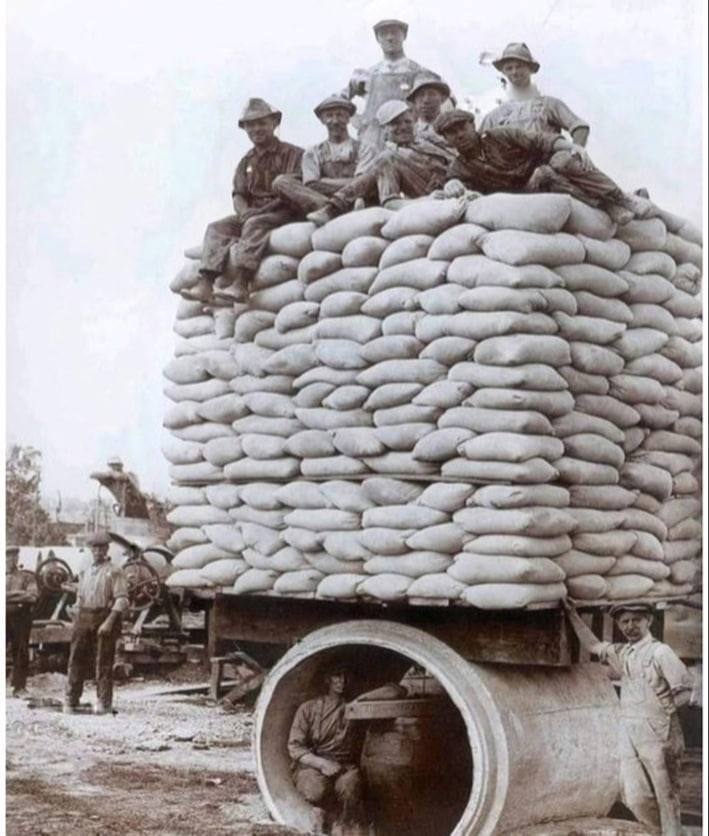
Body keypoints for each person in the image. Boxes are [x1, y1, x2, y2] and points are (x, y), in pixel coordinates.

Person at [566, 602, 693, 836]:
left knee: (666, 796)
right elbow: (593, 645)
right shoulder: (622, 653)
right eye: (624, 621)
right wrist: (572, 614)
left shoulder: (660, 652)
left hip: (659, 733)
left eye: (636, 620)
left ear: (649, 621)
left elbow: (684, 691)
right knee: (634, 796)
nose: (630, 626)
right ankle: (663, 832)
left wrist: (662, 712)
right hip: (629, 732)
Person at [434, 108, 652, 224]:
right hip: (520, 200)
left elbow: (541, 140)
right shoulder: (459, 167)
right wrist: (451, 185)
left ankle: (620, 197)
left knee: (564, 159)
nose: (459, 135)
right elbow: (452, 184)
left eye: (462, 127)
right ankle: (606, 206)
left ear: (473, 125)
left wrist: (573, 146)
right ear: (446, 140)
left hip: (549, 178)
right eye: (451, 133)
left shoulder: (500, 135)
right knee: (545, 173)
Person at [194, 98, 303, 302]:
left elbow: (294, 191)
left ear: (274, 124)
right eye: (250, 125)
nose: (256, 129)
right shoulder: (246, 161)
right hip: (252, 213)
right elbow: (239, 193)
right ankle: (206, 282)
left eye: (261, 123)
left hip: (284, 211)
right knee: (217, 228)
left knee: (254, 224)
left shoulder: (293, 154)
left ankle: (242, 283)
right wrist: (243, 212)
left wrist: (256, 214)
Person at [307, 100, 449, 226]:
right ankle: (338, 206)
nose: (403, 127)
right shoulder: (388, 156)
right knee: (385, 159)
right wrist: (424, 201)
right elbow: (391, 202)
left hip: (448, 185)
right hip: (427, 192)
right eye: (395, 123)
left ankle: (335, 207)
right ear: (384, 129)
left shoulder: (429, 140)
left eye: (407, 121)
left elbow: (452, 160)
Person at [343, 19, 436, 173]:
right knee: (368, 180)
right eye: (384, 34)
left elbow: (446, 100)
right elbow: (340, 100)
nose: (390, 37)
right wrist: (359, 122)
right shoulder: (368, 75)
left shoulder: (419, 72)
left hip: (409, 137)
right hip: (374, 141)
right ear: (378, 39)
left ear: (404, 36)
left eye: (394, 32)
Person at [288, 665, 367, 835]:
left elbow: (395, 690)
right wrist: (322, 763)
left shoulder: (358, 707)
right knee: (315, 789)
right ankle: (319, 817)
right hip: (314, 764)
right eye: (337, 675)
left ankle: (343, 824)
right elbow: (295, 747)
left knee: (351, 787)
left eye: (346, 676)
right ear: (327, 680)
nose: (342, 681)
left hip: (345, 766)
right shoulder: (308, 708)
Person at [63, 530, 129, 715]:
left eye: (101, 548)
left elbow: (122, 599)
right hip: (84, 616)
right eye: (94, 548)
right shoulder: (85, 570)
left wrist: (109, 622)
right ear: (91, 550)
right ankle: (71, 700)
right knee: (76, 658)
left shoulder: (115, 571)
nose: (98, 551)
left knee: (103, 661)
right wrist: (76, 609)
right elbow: (80, 595)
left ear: (107, 549)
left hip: (104, 616)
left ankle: (103, 702)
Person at [480, 43, 590, 146]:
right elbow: (477, 142)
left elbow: (580, 128)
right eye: (509, 68)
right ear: (503, 72)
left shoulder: (549, 105)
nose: (514, 72)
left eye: (519, 66)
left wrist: (574, 153)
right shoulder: (494, 116)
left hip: (546, 163)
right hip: (510, 165)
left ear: (530, 68)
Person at [272, 95, 361, 215]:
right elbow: (312, 185)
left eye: (340, 115)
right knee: (281, 182)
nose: (335, 121)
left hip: (357, 197)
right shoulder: (312, 153)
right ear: (322, 120)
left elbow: (364, 182)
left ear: (348, 118)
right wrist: (350, 182)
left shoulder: (364, 148)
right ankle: (331, 208)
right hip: (321, 200)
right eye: (329, 116)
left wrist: (323, 180)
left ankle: (335, 208)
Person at [6, 545, 38, 698]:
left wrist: (7, 596)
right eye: (7, 557)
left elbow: (32, 596)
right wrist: (20, 594)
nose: (10, 560)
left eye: (13, 557)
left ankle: (19, 687)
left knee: (21, 651)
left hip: (20, 619)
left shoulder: (26, 577)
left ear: (17, 559)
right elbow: (25, 595)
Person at [407, 72, 456, 160]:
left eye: (432, 94)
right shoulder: (408, 132)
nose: (426, 100)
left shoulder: (456, 128)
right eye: (421, 95)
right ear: (414, 101)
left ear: (443, 98)